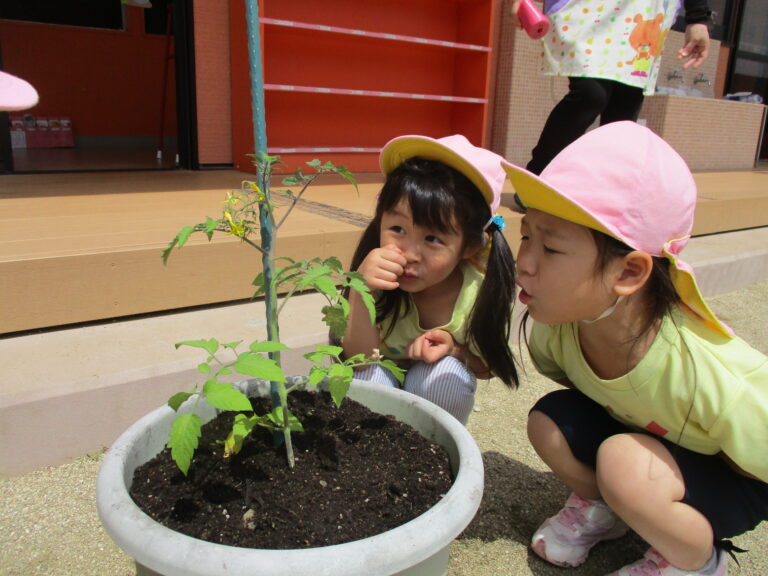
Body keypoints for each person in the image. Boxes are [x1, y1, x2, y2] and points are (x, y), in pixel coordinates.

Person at [501, 121, 768, 575]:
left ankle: (696, 558)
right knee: (550, 423)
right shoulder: (558, 329)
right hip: (646, 441)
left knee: (624, 463)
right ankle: (613, 511)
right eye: (527, 235)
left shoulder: (708, 372)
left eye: (551, 248)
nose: (524, 261)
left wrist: (669, 480)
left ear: (628, 273)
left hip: (732, 476)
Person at [341, 134, 519, 424]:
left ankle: (434, 447)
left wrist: (455, 350)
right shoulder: (374, 277)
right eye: (398, 228)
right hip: (379, 374)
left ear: (470, 247)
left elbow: (487, 366)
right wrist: (360, 291)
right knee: (365, 381)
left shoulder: (479, 292)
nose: (410, 253)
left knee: (443, 378)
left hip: (431, 386)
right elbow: (358, 359)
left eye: (433, 238)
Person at [509, 0, 712, 176]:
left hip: (645, 12)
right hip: (588, 9)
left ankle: (604, 194)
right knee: (590, 94)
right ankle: (539, 175)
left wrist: (698, 18)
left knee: (624, 108)